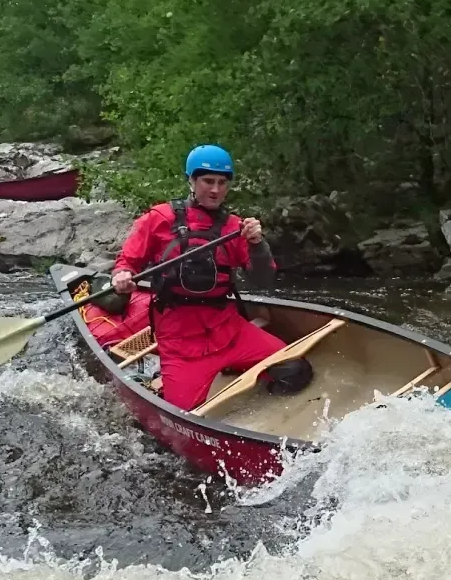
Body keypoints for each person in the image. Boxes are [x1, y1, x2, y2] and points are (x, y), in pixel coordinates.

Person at [111, 144, 311, 411]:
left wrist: (257, 244)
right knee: (185, 414)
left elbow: (263, 280)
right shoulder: (158, 218)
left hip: (229, 331)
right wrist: (122, 276)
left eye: (222, 183)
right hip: (180, 341)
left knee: (297, 370)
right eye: (207, 181)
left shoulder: (234, 227)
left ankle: (237, 371)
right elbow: (127, 262)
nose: (215, 190)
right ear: (192, 180)